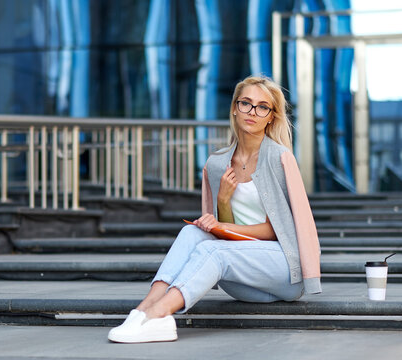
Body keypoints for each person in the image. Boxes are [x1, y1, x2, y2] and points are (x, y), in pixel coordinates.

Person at [108, 75, 321, 344]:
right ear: (234, 107)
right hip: (246, 278)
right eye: (246, 103)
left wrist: (223, 226)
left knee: (213, 249)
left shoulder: (279, 158)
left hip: (283, 271)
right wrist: (222, 202)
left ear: (271, 117)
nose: (252, 112)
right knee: (191, 234)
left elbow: (274, 230)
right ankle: (141, 311)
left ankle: (159, 315)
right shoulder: (217, 163)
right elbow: (225, 237)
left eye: (262, 107)